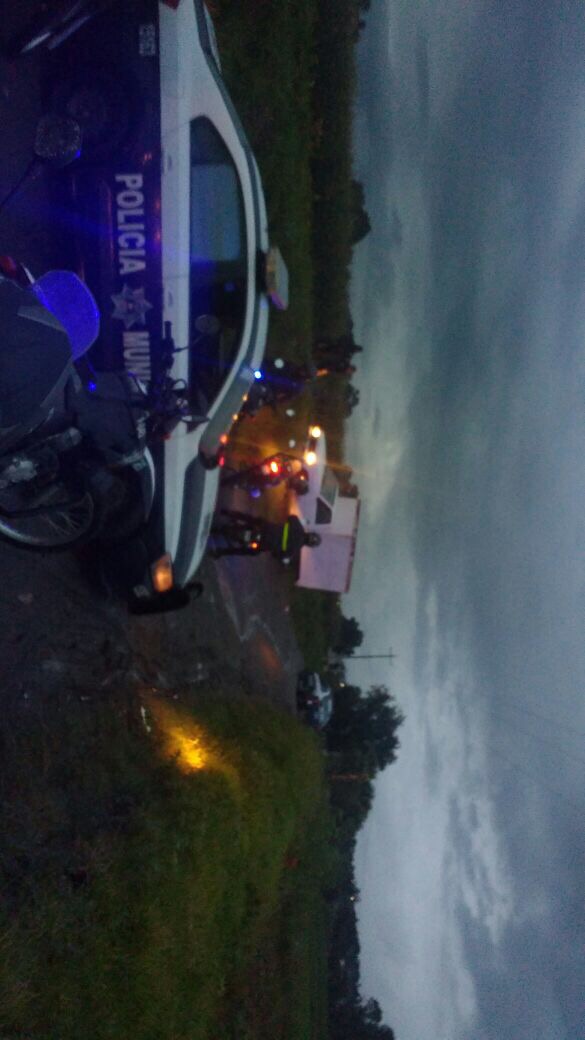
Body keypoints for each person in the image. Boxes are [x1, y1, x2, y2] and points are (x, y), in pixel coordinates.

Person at [210, 510, 321, 560]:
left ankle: (230, 513)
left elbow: (292, 517)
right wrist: (275, 552)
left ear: (309, 533)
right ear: (309, 545)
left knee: (251, 519)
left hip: (266, 528)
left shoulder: (298, 527)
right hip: (264, 544)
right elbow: (279, 556)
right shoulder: (294, 550)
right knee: (248, 552)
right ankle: (221, 552)